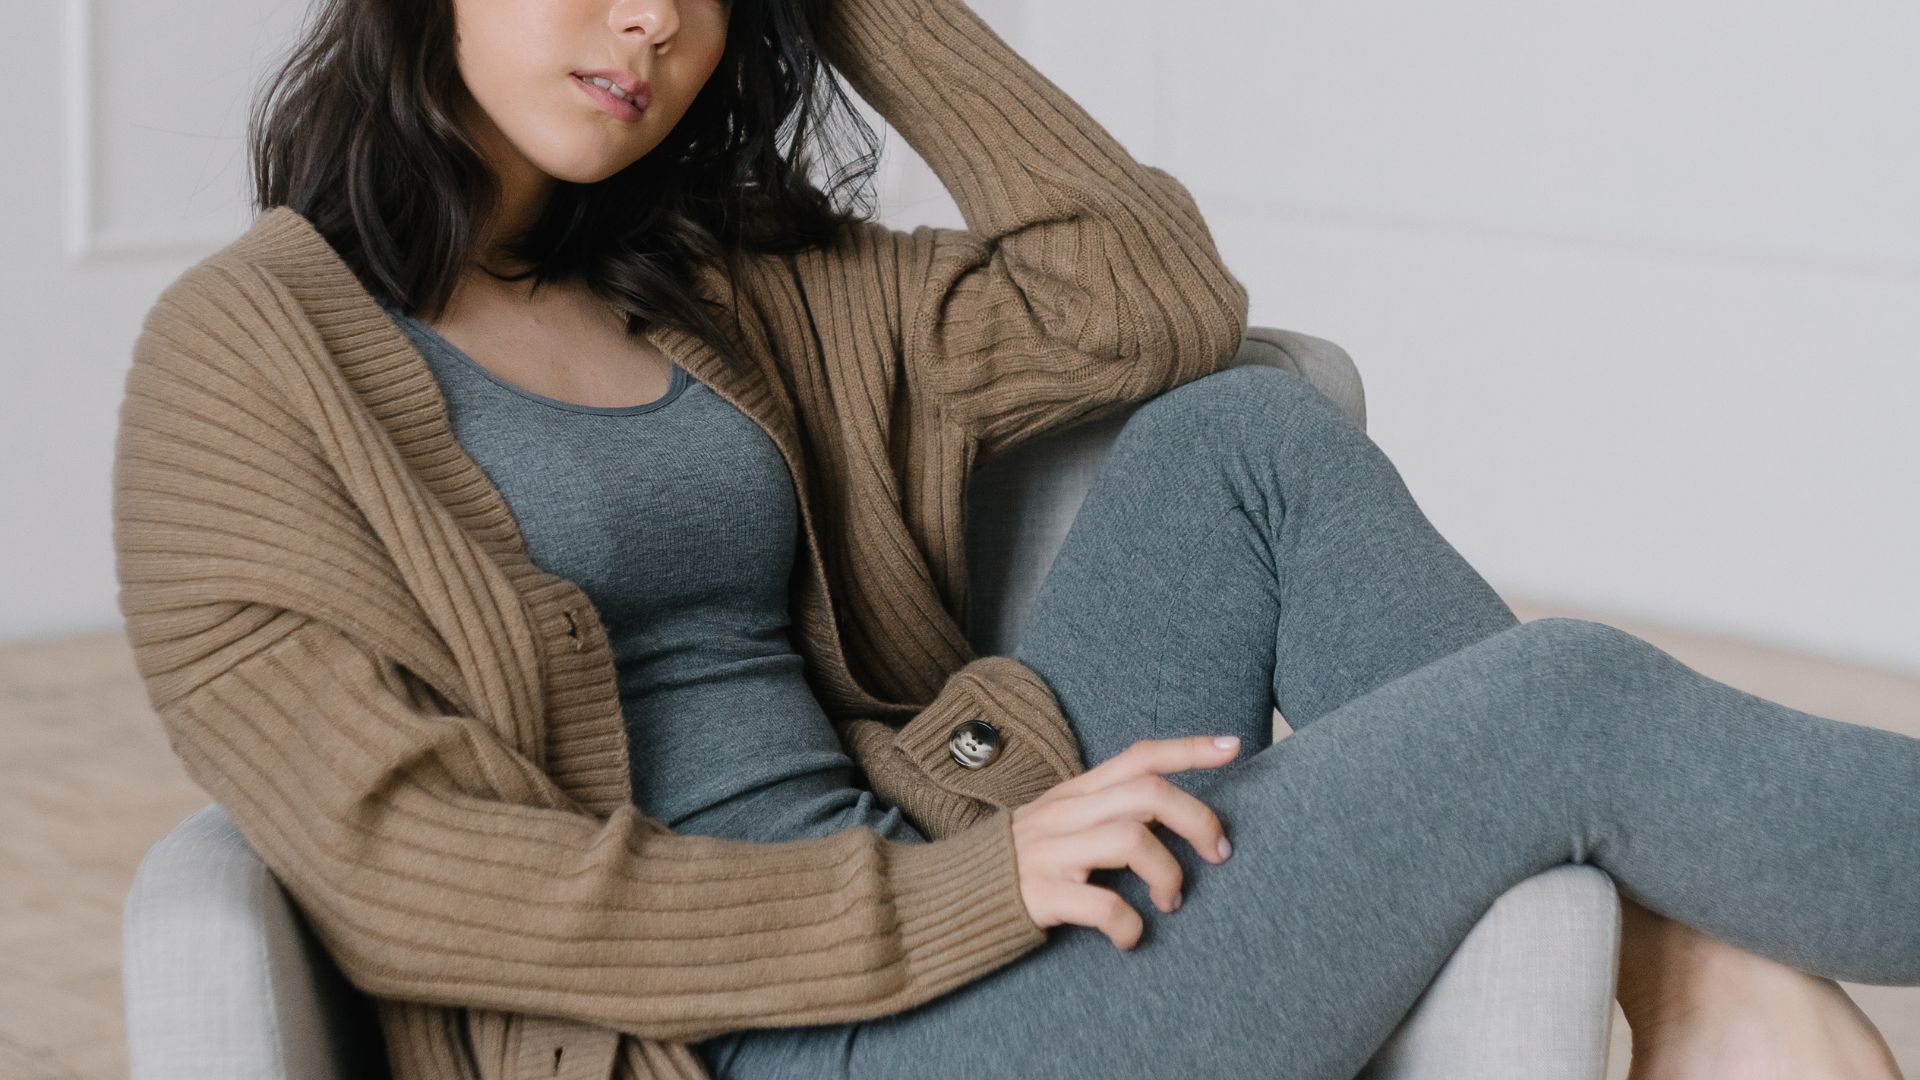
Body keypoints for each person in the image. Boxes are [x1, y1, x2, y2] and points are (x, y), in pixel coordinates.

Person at [109, 0, 1915, 1078]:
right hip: (768, 1034)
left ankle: (1693, 974)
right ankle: (1727, 981)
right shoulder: (251, 359)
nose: (652, 17)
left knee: (1245, 439)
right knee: (1564, 705)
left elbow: (1145, 298)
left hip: (935, 852)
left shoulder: (717, 288)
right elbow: (410, 868)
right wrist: (959, 892)